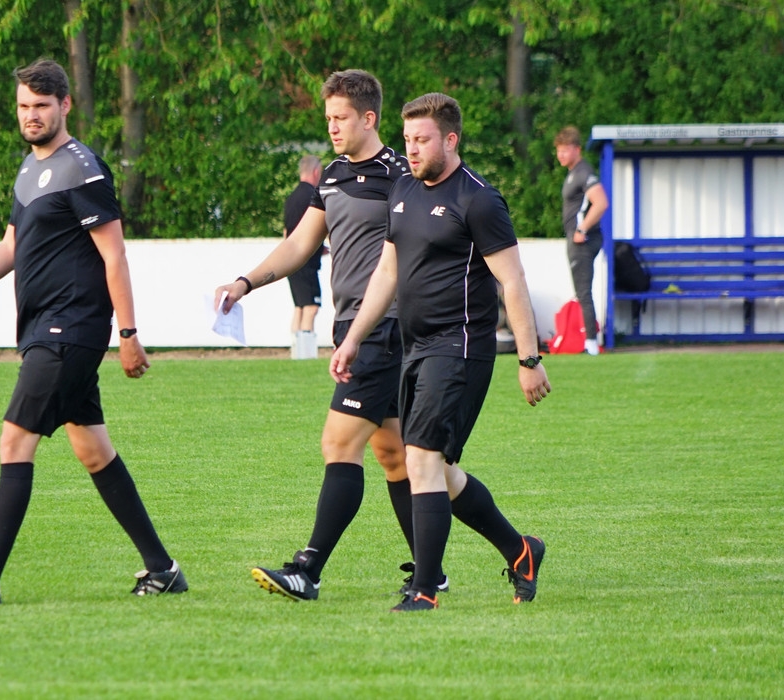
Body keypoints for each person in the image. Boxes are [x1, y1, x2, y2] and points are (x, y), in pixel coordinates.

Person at [0, 58, 185, 606]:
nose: (31, 115)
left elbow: (115, 256)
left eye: (41, 105)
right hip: (48, 328)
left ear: (65, 105)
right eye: (24, 106)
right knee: (93, 450)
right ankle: (162, 569)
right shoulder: (28, 168)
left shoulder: (83, 168)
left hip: (70, 329)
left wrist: (129, 333)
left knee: (14, 440)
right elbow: (11, 248)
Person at [214, 69, 441, 601]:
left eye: (341, 118)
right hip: (351, 328)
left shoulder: (400, 175)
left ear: (369, 118)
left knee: (339, 443)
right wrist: (245, 283)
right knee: (395, 455)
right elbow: (300, 246)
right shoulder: (334, 175)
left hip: (385, 329)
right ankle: (441, 568)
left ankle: (308, 570)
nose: (332, 128)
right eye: (328, 118)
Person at [330, 92, 551, 612]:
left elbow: (513, 281)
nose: (411, 149)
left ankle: (425, 590)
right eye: (407, 139)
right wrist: (354, 337)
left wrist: (529, 360)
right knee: (440, 471)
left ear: (450, 140)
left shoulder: (479, 199)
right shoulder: (404, 188)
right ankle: (521, 550)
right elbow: (387, 271)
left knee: (422, 460)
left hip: (462, 347)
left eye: (422, 140)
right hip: (414, 347)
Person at [555, 126, 609, 356]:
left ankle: (591, 345)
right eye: (558, 150)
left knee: (584, 292)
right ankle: (589, 342)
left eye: (565, 150)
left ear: (577, 149)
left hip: (582, 241)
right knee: (582, 291)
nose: (561, 155)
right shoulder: (573, 173)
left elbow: (601, 202)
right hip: (577, 239)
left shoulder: (583, 172)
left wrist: (582, 229)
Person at [284, 154, 324, 359]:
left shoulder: (291, 199)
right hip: (306, 264)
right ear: (316, 172)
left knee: (299, 307)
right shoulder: (313, 197)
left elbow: (288, 233)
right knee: (311, 307)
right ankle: (306, 354)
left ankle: (296, 352)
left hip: (290, 262)